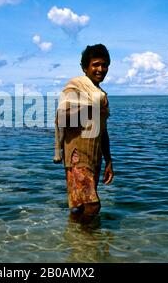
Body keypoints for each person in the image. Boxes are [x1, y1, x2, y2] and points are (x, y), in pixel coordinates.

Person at [55, 44, 114, 221]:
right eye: (95, 64)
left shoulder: (101, 95)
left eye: (104, 65)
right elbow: (62, 118)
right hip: (77, 156)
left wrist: (109, 161)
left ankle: (76, 240)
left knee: (80, 205)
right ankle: (86, 242)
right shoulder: (75, 87)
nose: (100, 69)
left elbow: (103, 131)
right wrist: (90, 105)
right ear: (85, 67)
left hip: (93, 158)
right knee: (93, 205)